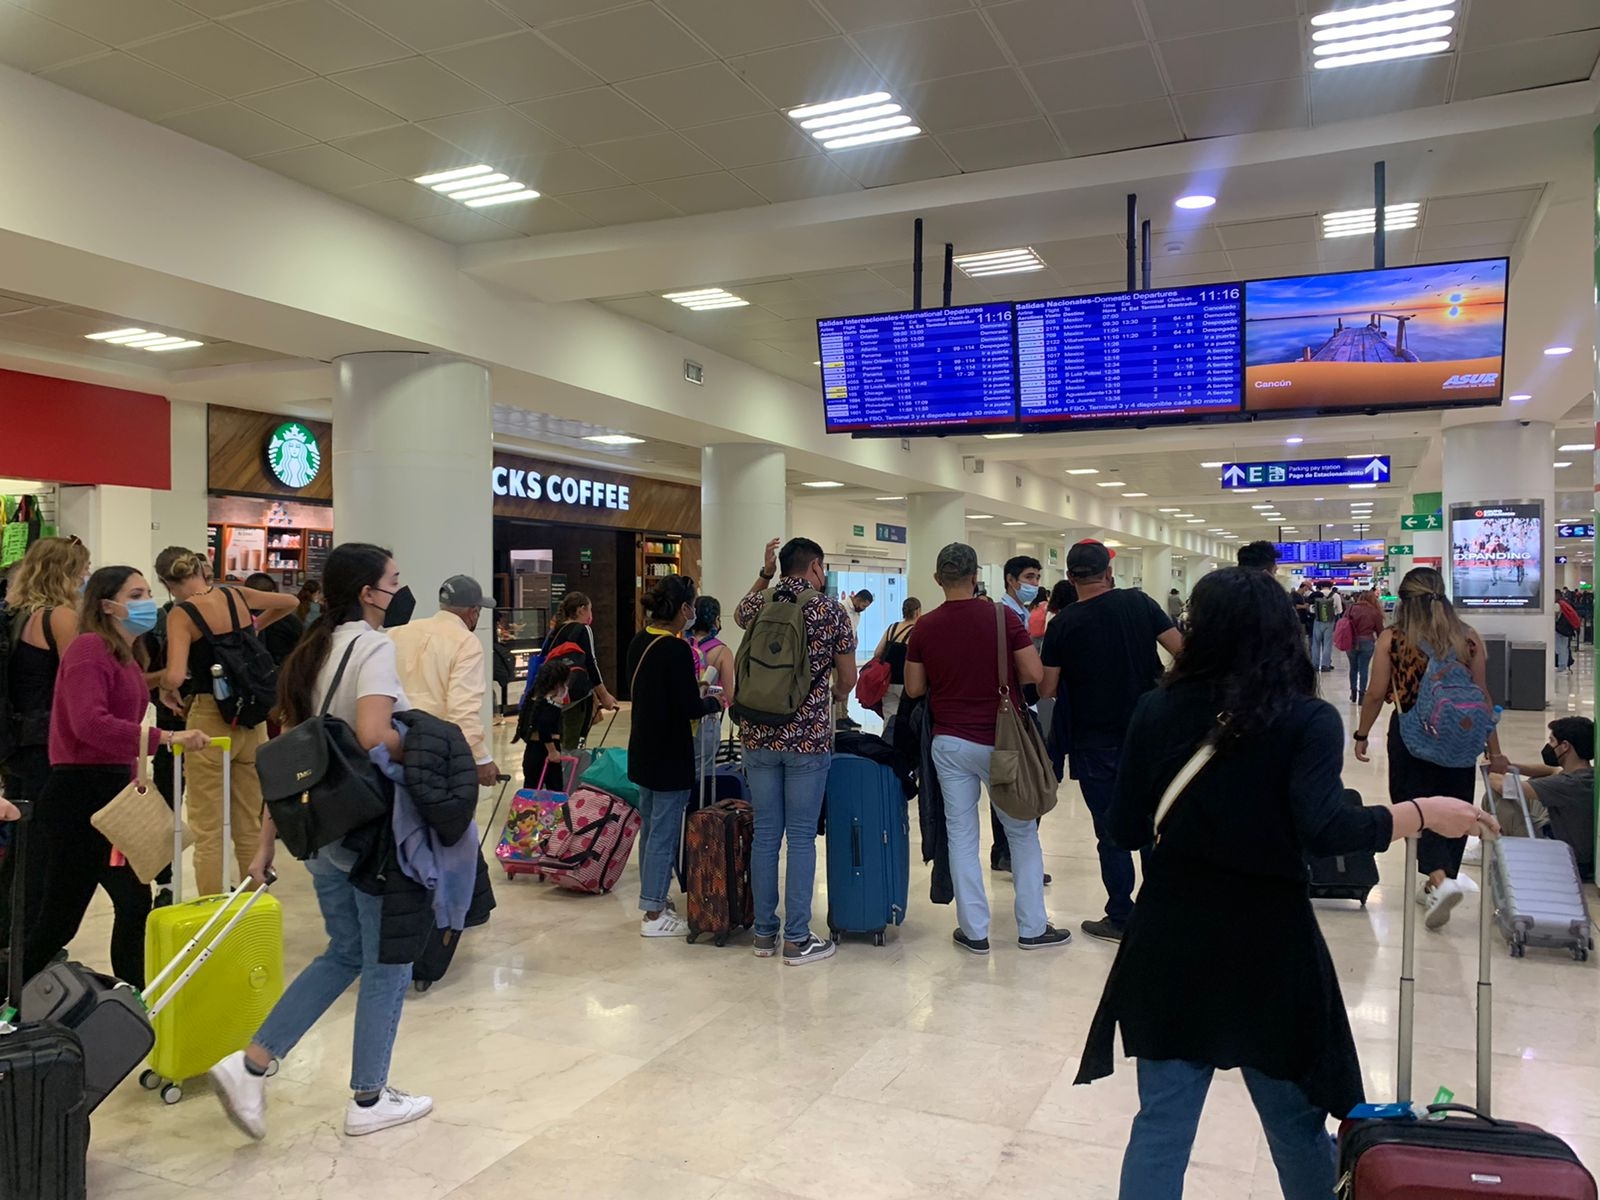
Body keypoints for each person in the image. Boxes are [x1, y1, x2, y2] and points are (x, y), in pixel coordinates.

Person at [1076, 567, 1496, 1200]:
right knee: (1296, 1127)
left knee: (1161, 1125)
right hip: (1268, 942)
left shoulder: (1156, 709)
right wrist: (1421, 814)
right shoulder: (1304, 718)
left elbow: (1128, 826)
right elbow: (1325, 829)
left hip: (1171, 933)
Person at [209, 543, 432, 1140]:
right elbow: (371, 734)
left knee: (344, 952)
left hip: (323, 833)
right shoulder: (373, 646)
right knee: (388, 960)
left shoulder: (313, 650)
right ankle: (368, 1097)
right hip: (372, 832)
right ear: (367, 592)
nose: (398, 588)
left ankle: (252, 1061)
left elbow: (297, 759)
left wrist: (265, 843)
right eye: (392, 579)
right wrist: (430, 748)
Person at [22, 567, 212, 987]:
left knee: (132, 901)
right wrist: (167, 737)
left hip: (111, 791)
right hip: (79, 795)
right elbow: (92, 725)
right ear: (108, 606)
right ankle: (11, 995)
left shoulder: (128, 656)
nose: (147, 602)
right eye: (136, 593)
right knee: (61, 917)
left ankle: (135, 996)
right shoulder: (89, 649)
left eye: (147, 592)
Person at [904, 543, 1070, 954]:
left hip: (950, 742)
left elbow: (914, 688)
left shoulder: (923, 627)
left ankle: (974, 931)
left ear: (938, 579)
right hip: (1003, 743)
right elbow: (1033, 673)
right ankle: (1032, 928)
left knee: (961, 834)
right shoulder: (1002, 618)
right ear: (976, 576)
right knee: (1021, 832)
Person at [1040, 539, 1183, 942]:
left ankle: (1121, 915)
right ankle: (1163, 910)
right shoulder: (1139, 603)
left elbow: (1048, 688)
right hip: (1151, 734)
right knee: (1157, 824)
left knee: (1111, 832)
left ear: (1070, 578)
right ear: (1108, 573)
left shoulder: (1063, 624)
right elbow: (1182, 651)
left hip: (1094, 741)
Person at [1355, 566, 1510, 929]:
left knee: (1418, 808)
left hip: (1412, 736)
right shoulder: (1468, 638)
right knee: (1455, 805)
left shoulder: (1393, 638)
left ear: (1405, 601)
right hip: (1461, 736)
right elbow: (1483, 697)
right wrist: (1494, 749)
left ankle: (1438, 880)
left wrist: (1362, 734)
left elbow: (1377, 693)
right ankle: (1439, 879)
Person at [735, 537, 856, 965]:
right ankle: (798, 938)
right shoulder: (828, 611)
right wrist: (833, 696)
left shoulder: (760, 603)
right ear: (817, 566)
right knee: (802, 836)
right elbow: (847, 677)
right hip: (806, 737)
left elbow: (737, 613)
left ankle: (765, 935)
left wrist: (764, 573)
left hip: (757, 733)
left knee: (767, 834)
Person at [158, 551, 298, 898]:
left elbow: (176, 674)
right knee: (249, 821)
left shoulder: (181, 613)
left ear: (166, 582)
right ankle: (254, 903)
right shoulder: (235, 594)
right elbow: (291, 602)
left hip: (209, 720)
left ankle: (213, 909)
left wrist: (162, 687)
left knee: (208, 829)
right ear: (201, 570)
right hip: (251, 719)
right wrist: (254, 627)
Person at [0, 537, 87, 951]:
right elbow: (81, 681)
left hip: (18, 740)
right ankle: (32, 940)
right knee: (46, 849)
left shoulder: (16, 614)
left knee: (22, 843)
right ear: (66, 573)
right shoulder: (61, 618)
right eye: (81, 570)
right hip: (50, 742)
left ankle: (11, 934)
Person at [627, 575, 722, 938]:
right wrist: (711, 700)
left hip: (644, 748)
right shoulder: (677, 650)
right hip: (670, 752)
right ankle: (653, 912)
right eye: (692, 605)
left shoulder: (641, 641)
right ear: (684, 608)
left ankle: (652, 898)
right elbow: (688, 707)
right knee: (664, 831)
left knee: (651, 828)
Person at [388, 575, 499, 788]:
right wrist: (481, 759)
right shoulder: (466, 642)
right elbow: (462, 711)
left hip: (395, 747)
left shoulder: (398, 631)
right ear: (474, 612)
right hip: (437, 755)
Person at [1491, 716, 1594, 879]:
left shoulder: (1568, 784)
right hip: (1571, 844)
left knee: (1498, 799)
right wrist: (1511, 766)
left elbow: (1505, 787)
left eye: (1552, 741)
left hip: (1562, 858)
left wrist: (1493, 770)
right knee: (1536, 782)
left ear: (1565, 746)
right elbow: (1551, 770)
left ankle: (1505, 844)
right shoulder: (1587, 774)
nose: (1549, 746)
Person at [543, 593, 617, 750]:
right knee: (574, 744)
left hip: (556, 695)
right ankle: (572, 773)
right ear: (581, 610)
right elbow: (591, 663)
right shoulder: (583, 629)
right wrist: (604, 695)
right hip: (578, 695)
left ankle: (560, 771)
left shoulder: (555, 631)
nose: (591, 615)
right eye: (590, 610)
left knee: (560, 741)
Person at [689, 596, 735, 782]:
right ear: (715, 619)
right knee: (703, 773)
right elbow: (730, 695)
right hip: (707, 720)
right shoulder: (722, 652)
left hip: (682, 717)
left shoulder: (682, 646)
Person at [513, 659, 568, 792]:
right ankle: (552, 814)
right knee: (554, 790)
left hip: (531, 750)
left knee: (531, 790)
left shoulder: (533, 699)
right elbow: (544, 727)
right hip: (547, 750)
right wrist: (552, 751)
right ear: (559, 683)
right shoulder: (551, 704)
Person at [871, 597, 920, 733]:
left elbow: (877, 653)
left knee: (889, 719)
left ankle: (887, 747)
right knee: (909, 720)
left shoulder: (892, 628)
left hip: (888, 681)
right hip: (908, 683)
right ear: (917, 612)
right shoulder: (917, 631)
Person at [245, 573, 305, 666]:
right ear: (274, 593)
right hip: (285, 672)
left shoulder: (240, 620)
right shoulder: (289, 620)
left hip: (250, 674)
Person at [836, 588, 874, 731]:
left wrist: (856, 638)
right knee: (841, 682)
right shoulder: (841, 607)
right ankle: (837, 717)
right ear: (858, 599)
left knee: (849, 682)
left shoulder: (857, 613)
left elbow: (853, 628)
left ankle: (844, 715)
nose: (863, 609)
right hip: (838, 653)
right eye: (864, 605)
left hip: (849, 651)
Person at [1344, 589, 1384, 705]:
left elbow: (1344, 624)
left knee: (1353, 668)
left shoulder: (1351, 608)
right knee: (1364, 668)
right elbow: (1380, 631)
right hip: (1367, 642)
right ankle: (1362, 694)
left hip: (1351, 642)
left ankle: (1353, 693)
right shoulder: (1374, 612)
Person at [1309, 584, 1338, 672]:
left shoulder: (1316, 595)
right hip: (1330, 621)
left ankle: (1315, 664)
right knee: (1327, 644)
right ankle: (1325, 665)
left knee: (1316, 643)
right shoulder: (1335, 595)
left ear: (1320, 587)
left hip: (1318, 621)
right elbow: (1340, 610)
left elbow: (1311, 609)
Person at [1555, 590, 1581, 673]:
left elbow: (1555, 617)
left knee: (1560, 648)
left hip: (1560, 629)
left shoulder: (1558, 604)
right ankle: (1564, 665)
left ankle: (1562, 666)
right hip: (1567, 629)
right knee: (1564, 648)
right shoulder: (1565, 603)